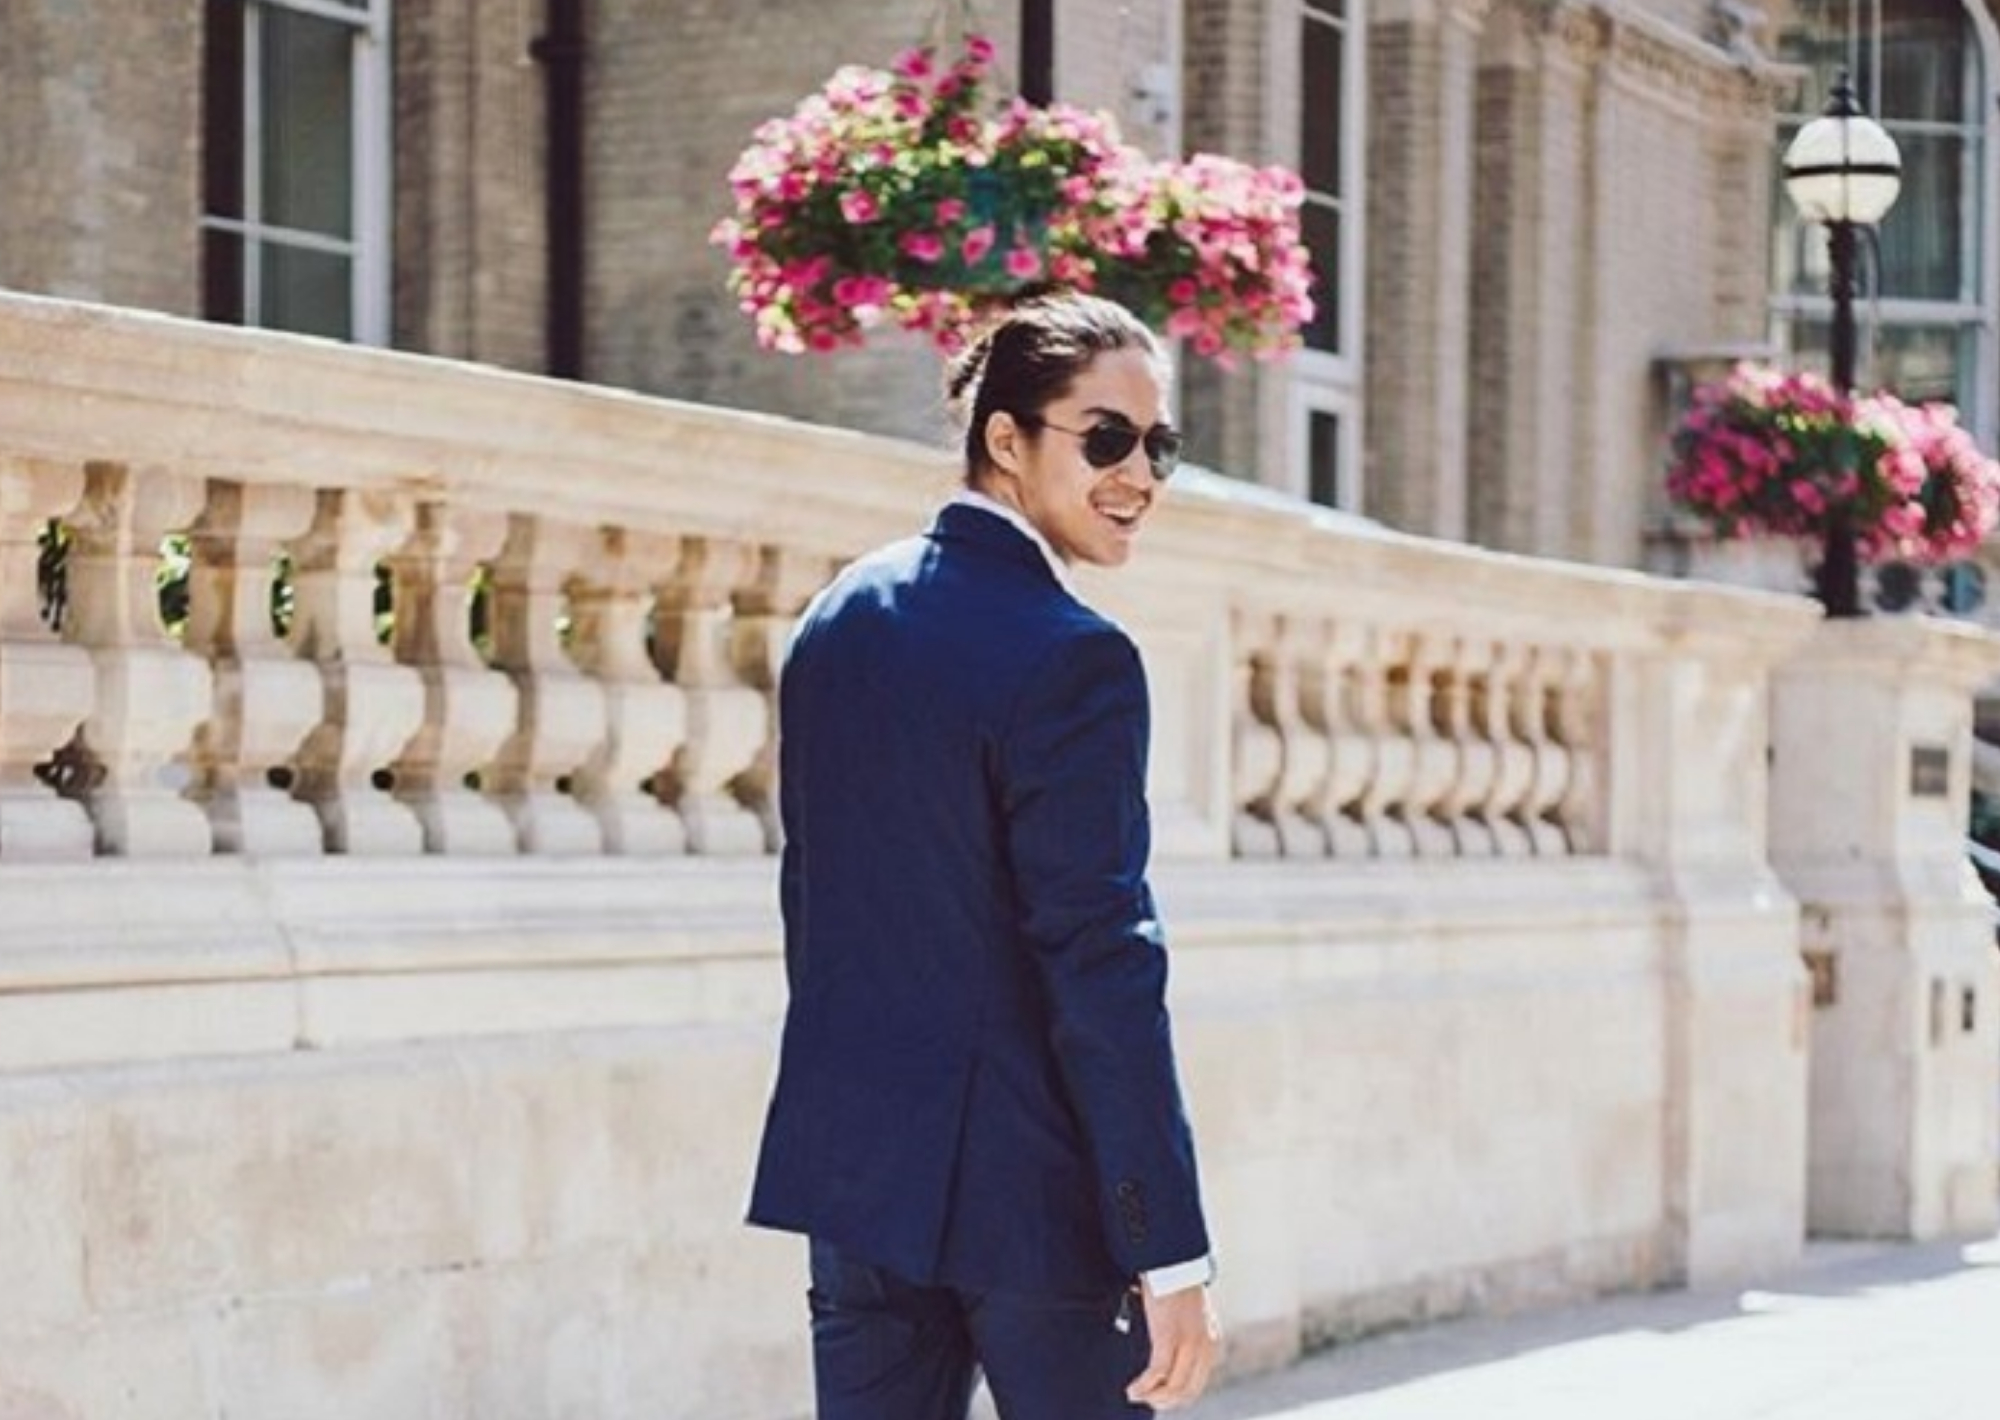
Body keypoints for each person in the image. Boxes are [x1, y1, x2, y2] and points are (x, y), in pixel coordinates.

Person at [748, 289, 1219, 1419]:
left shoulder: (837, 615)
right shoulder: (1074, 658)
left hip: (859, 1182)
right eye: (1105, 438)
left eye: (1157, 446)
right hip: (1033, 1207)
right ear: (1005, 440)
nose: (1139, 476)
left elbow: (814, 904)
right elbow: (1101, 964)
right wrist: (1168, 1249)